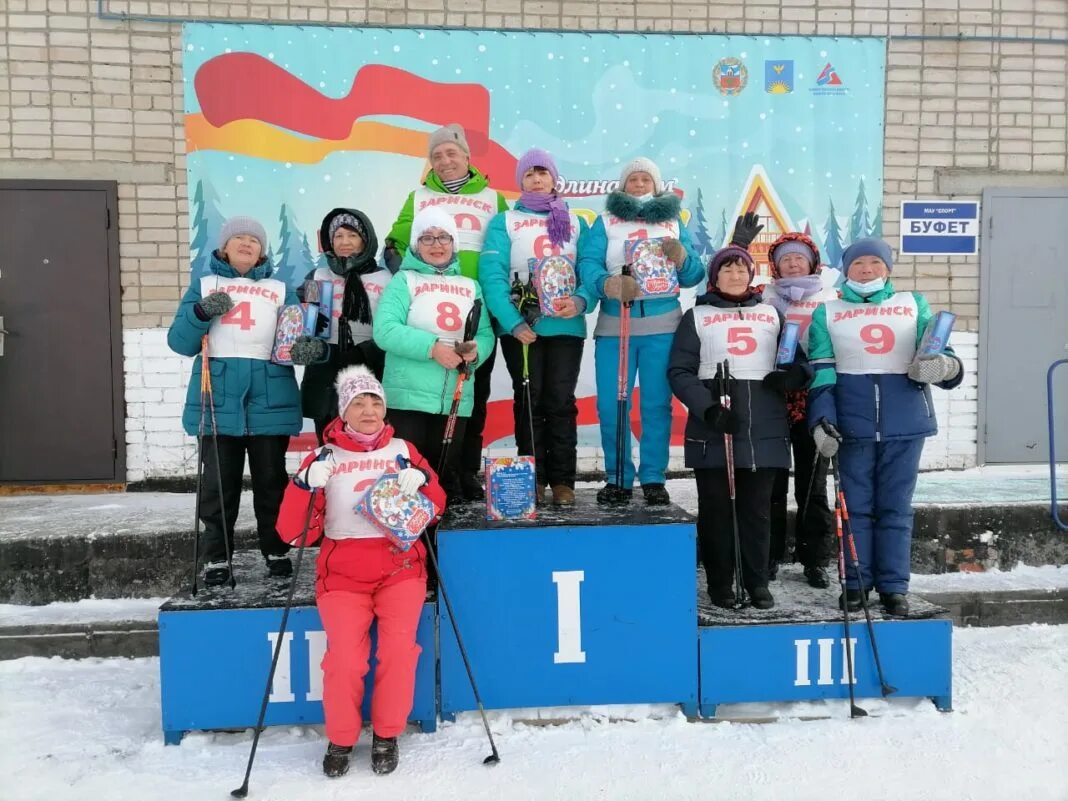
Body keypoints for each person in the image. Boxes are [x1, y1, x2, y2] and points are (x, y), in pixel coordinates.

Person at [276, 365, 446, 778]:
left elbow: (436, 505)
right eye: (358, 402)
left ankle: (387, 733)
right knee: (345, 662)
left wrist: (421, 479)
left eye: (375, 402)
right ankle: (342, 736)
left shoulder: (403, 449)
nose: (369, 410)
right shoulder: (323, 456)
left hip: (400, 569)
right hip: (343, 575)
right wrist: (305, 484)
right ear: (343, 410)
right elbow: (291, 532)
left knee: (398, 653)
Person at [807, 238, 964, 617]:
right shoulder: (826, 313)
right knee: (854, 509)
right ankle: (856, 583)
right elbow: (822, 373)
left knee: (895, 508)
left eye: (875, 263)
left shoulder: (913, 304)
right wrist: (823, 420)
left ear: (888, 269)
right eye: (858, 263)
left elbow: (941, 354)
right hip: (852, 425)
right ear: (846, 270)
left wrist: (944, 367)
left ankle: (894, 587)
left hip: (905, 423)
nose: (867, 270)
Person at [668, 245, 811, 610]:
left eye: (741, 269)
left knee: (757, 510)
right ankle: (720, 583)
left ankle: (757, 581)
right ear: (715, 277)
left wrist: (793, 376)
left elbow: (798, 363)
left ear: (752, 275)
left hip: (764, 424)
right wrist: (708, 408)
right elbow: (680, 372)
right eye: (727, 270)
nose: (735, 275)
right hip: (716, 424)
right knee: (716, 510)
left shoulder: (771, 314)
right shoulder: (696, 315)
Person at [167, 216, 301, 586]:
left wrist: (307, 348)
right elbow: (180, 342)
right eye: (238, 238)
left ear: (263, 250)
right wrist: (200, 313)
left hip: (268, 398)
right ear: (224, 246)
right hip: (218, 397)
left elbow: (293, 342)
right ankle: (216, 557)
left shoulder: (279, 289)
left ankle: (276, 548)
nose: (246, 243)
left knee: (272, 481)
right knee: (218, 484)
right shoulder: (206, 284)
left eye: (254, 240)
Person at [384, 124, 509, 501]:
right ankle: (421, 481)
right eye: (436, 155)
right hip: (429, 310)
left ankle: (464, 471)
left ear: (467, 157)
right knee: (422, 405)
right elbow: (396, 240)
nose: (444, 160)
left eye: (451, 153)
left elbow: (504, 247)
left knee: (473, 394)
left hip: (474, 310)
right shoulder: (419, 195)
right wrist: (412, 286)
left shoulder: (492, 197)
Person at [577, 157, 705, 506]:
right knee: (611, 404)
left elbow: (694, 275)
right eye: (632, 179)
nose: (638, 185)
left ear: (657, 185)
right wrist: (608, 283)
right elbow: (587, 263)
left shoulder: (673, 221)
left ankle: (653, 476)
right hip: (616, 327)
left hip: (663, 328)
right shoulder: (606, 222)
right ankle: (618, 476)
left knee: (655, 405)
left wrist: (681, 257)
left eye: (645, 179)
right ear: (622, 185)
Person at [478, 148, 596, 506]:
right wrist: (511, 322)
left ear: (554, 178)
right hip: (523, 329)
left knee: (560, 402)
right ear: (521, 181)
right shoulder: (505, 221)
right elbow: (492, 274)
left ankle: (563, 481)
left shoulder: (576, 222)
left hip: (565, 326)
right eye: (529, 174)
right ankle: (533, 477)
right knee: (528, 401)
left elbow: (590, 268)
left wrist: (579, 300)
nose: (537, 179)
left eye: (543, 173)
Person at [373, 206, 494, 506]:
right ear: (415, 245)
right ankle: (411, 550)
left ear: (454, 243)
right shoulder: (404, 280)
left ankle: (442, 548)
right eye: (427, 238)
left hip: (454, 397)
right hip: (409, 400)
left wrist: (475, 350)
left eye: (444, 237)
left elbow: (485, 333)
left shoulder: (470, 285)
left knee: (444, 479)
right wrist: (433, 348)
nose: (437, 245)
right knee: (407, 479)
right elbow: (385, 330)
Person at [761, 232, 839, 588]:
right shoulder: (763, 296)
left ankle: (815, 559)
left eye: (799, 258)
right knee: (771, 485)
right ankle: (770, 555)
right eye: (786, 259)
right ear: (775, 265)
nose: (793, 264)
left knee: (813, 485)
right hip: (774, 399)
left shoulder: (830, 297)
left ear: (812, 262)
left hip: (814, 399)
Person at [290, 208, 390, 443]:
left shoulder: (384, 279)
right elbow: (309, 325)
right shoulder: (318, 276)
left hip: (369, 370)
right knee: (329, 444)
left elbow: (392, 328)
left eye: (352, 235)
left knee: (367, 442)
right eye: (338, 236)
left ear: (365, 239)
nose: (345, 242)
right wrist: (308, 345)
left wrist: (366, 352)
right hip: (325, 376)